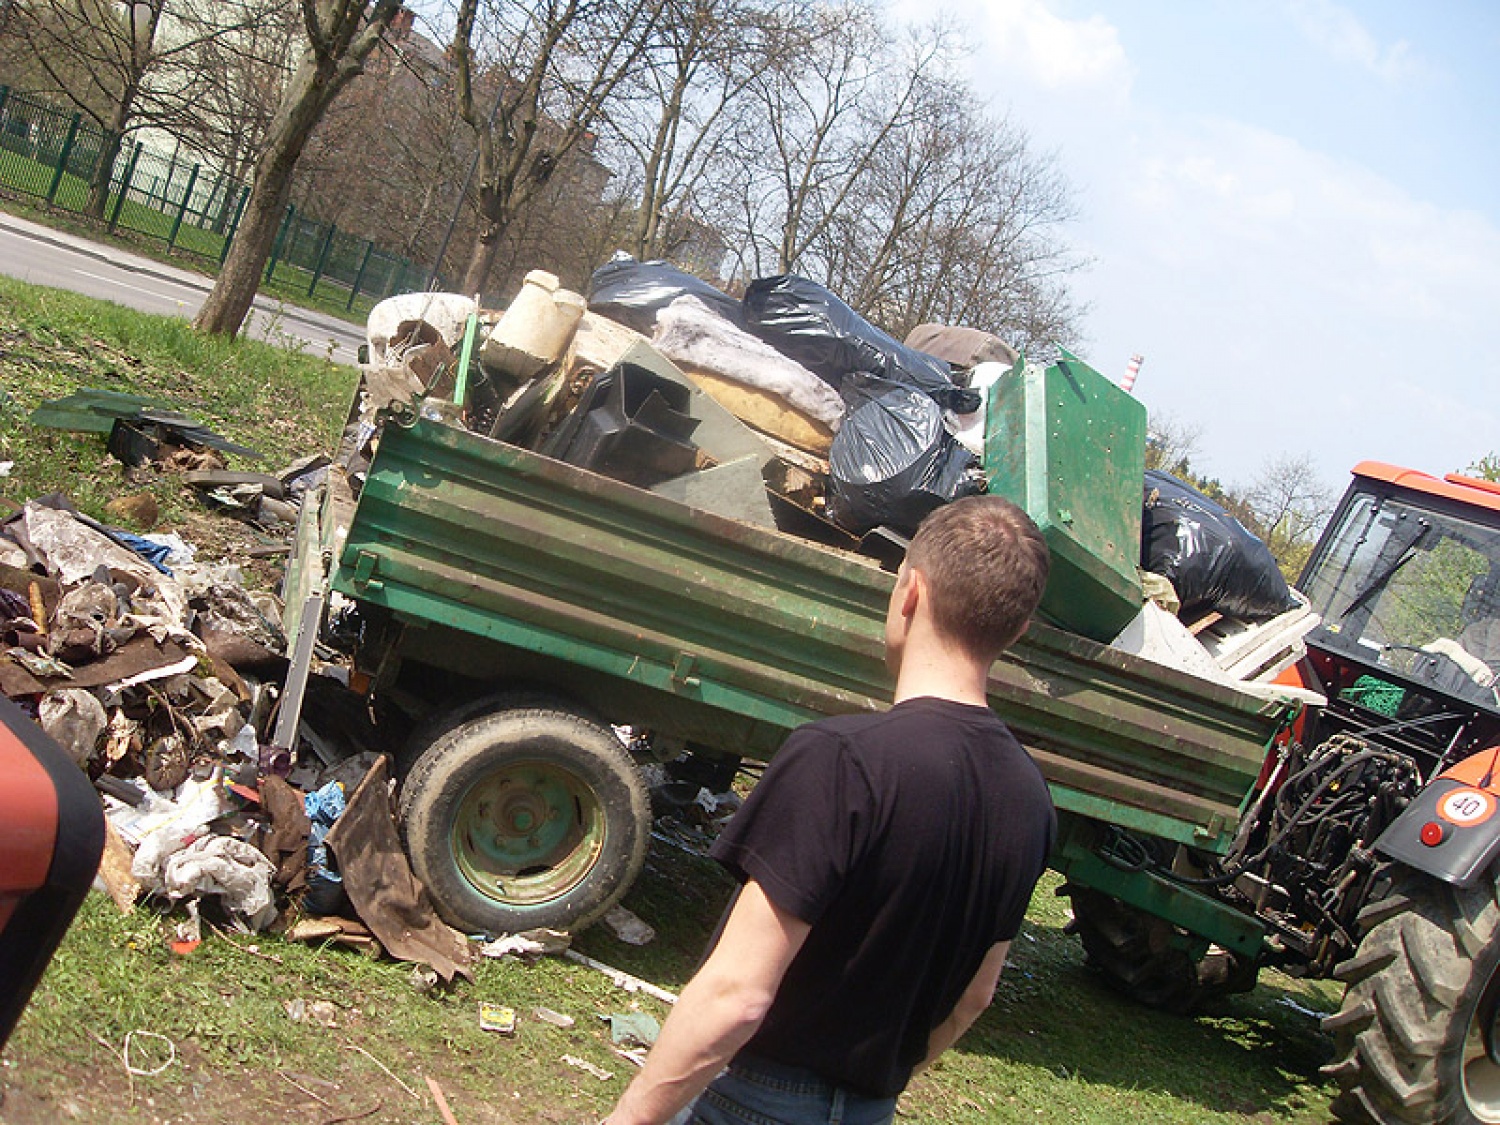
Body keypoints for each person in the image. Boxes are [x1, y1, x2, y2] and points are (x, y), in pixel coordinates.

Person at [601, 494, 1057, 1125]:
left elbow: (737, 996)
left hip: (750, 1101)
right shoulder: (1032, 801)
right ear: (1017, 630)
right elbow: (974, 999)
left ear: (910, 595)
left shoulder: (841, 759)